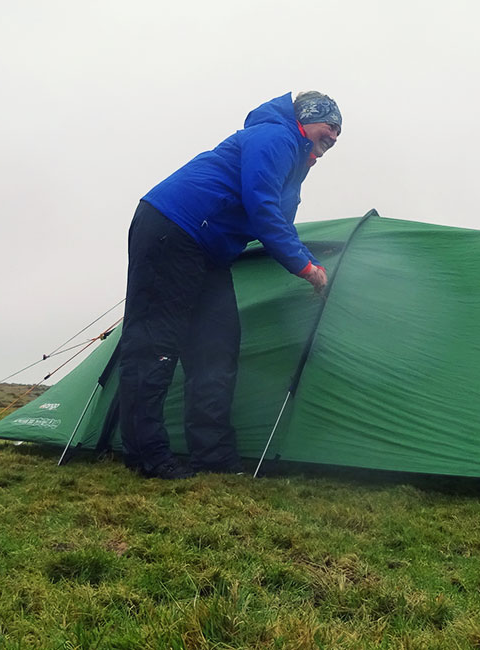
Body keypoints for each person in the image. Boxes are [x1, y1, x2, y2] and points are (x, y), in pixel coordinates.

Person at [117, 91, 341, 479]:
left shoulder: (295, 159)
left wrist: (307, 258)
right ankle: (146, 456)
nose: (331, 141)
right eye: (328, 130)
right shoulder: (276, 137)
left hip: (211, 250)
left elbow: (277, 219)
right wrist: (306, 267)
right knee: (156, 344)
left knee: (215, 348)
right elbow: (262, 209)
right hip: (173, 229)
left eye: (336, 138)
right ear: (306, 118)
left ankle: (214, 456)